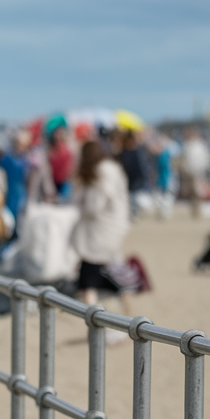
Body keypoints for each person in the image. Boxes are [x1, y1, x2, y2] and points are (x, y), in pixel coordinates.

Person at [72, 139, 135, 339]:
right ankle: (130, 317)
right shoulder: (114, 169)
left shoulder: (99, 174)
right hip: (116, 227)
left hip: (99, 231)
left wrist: (82, 196)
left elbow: (94, 206)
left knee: (88, 280)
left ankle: (94, 326)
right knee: (116, 275)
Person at [47, 124, 75, 200]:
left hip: (65, 181)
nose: (59, 138)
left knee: (64, 200)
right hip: (54, 180)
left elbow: (71, 165)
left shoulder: (68, 149)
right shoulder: (51, 150)